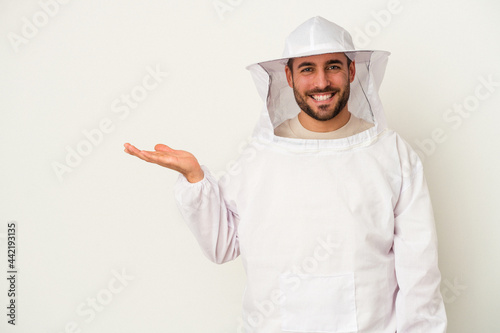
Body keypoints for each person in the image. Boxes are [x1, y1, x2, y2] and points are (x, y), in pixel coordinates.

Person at [124, 16, 447, 333]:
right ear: (289, 77)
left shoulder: (391, 154)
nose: (321, 82)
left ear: (351, 71)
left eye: (332, 66)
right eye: (307, 69)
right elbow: (222, 246)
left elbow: (419, 272)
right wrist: (196, 179)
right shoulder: (259, 157)